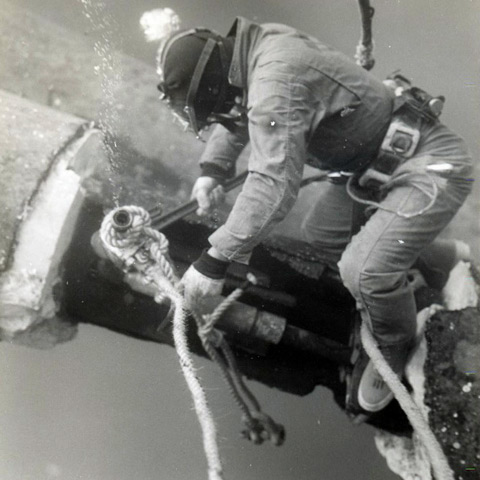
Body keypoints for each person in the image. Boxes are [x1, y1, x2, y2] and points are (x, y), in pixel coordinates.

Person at [154, 17, 474, 414]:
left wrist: (214, 260)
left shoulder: (276, 82)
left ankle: (394, 345)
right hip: (377, 164)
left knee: (363, 271)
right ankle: (438, 257)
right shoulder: (257, 49)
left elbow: (272, 186)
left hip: (430, 166)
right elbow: (241, 114)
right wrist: (212, 170)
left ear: (218, 84)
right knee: (322, 236)